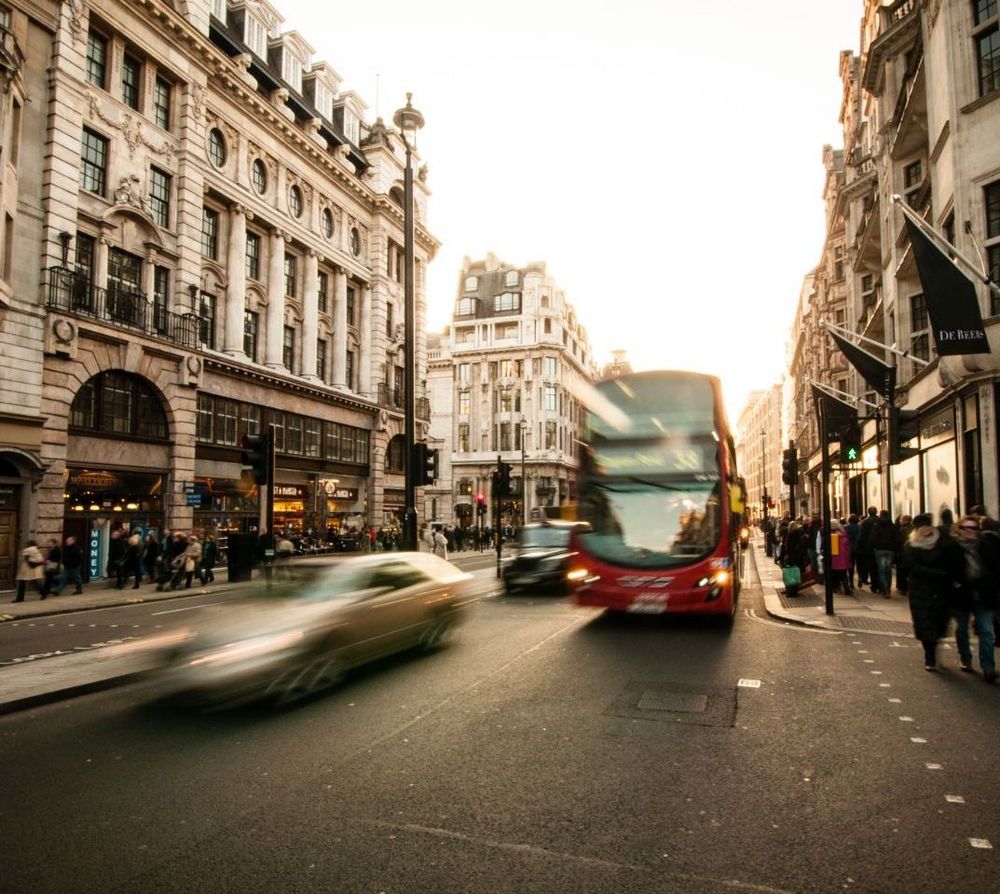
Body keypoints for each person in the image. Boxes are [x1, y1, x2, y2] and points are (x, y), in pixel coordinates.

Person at [901, 514, 964, 671]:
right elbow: (910, 565)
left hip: (941, 590)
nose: (924, 530)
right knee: (924, 623)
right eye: (921, 527)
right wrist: (938, 573)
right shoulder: (911, 544)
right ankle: (929, 656)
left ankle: (934, 648)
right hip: (920, 591)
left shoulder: (942, 542)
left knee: (940, 622)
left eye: (927, 526)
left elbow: (953, 560)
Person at [952, 515, 998, 682]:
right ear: (960, 529)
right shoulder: (953, 548)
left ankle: (988, 666)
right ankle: (966, 658)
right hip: (962, 594)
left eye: (974, 528)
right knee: (962, 630)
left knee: (986, 630)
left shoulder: (986, 546)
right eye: (967, 528)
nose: (970, 531)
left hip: (984, 593)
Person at [872, 510, 897, 597]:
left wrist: (874, 546)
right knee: (888, 570)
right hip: (890, 549)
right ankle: (888, 589)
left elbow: (874, 538)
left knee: (881, 570)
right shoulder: (892, 526)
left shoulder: (877, 525)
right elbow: (896, 538)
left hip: (879, 549)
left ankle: (885, 589)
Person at [780, 521, 808, 596]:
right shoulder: (797, 535)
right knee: (794, 574)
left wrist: (786, 556)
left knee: (790, 574)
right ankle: (791, 590)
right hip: (796, 558)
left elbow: (790, 548)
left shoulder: (792, 535)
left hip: (792, 558)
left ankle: (791, 591)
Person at [855, 507, 878, 590]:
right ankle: (875, 585)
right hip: (877, 547)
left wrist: (859, 546)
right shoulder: (879, 521)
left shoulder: (865, 522)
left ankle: (863, 577)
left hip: (867, 547)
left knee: (867, 565)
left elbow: (861, 535)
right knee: (875, 567)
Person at [829, 519, 852, 595]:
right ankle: (847, 589)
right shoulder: (844, 534)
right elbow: (848, 547)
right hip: (844, 558)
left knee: (834, 575)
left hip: (835, 558)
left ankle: (835, 588)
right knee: (844, 575)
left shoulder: (832, 536)